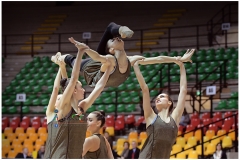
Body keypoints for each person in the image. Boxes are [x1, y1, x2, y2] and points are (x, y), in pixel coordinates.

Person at [56, 22, 194, 88]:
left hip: (99, 69)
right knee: (68, 59)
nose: (115, 39)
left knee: (110, 28)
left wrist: (178, 59)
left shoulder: (131, 60)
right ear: (110, 49)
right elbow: (97, 57)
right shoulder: (109, 57)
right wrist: (84, 49)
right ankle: (57, 58)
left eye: (117, 38)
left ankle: (121, 29)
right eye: (113, 40)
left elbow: (157, 59)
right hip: (89, 69)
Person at [44, 38, 112, 159]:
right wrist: (80, 52)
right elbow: (69, 82)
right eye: (81, 87)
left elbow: (99, 88)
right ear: (74, 90)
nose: (84, 90)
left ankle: (59, 62)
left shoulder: (81, 108)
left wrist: (108, 69)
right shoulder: (62, 110)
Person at [133, 49, 195, 159]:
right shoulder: (150, 116)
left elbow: (183, 90)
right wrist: (136, 67)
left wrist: (181, 65)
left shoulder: (175, 118)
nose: (158, 98)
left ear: (170, 102)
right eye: (157, 98)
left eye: (161, 96)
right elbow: (145, 89)